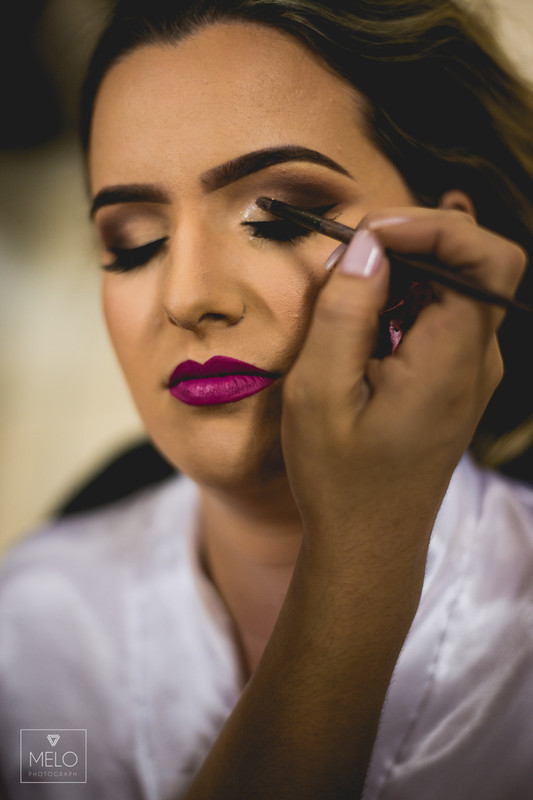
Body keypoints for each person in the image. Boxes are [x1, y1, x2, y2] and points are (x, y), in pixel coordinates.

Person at [1, 0, 533, 797]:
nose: (186, 296)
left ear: (443, 252)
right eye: (133, 243)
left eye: (281, 220)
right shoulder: (31, 638)